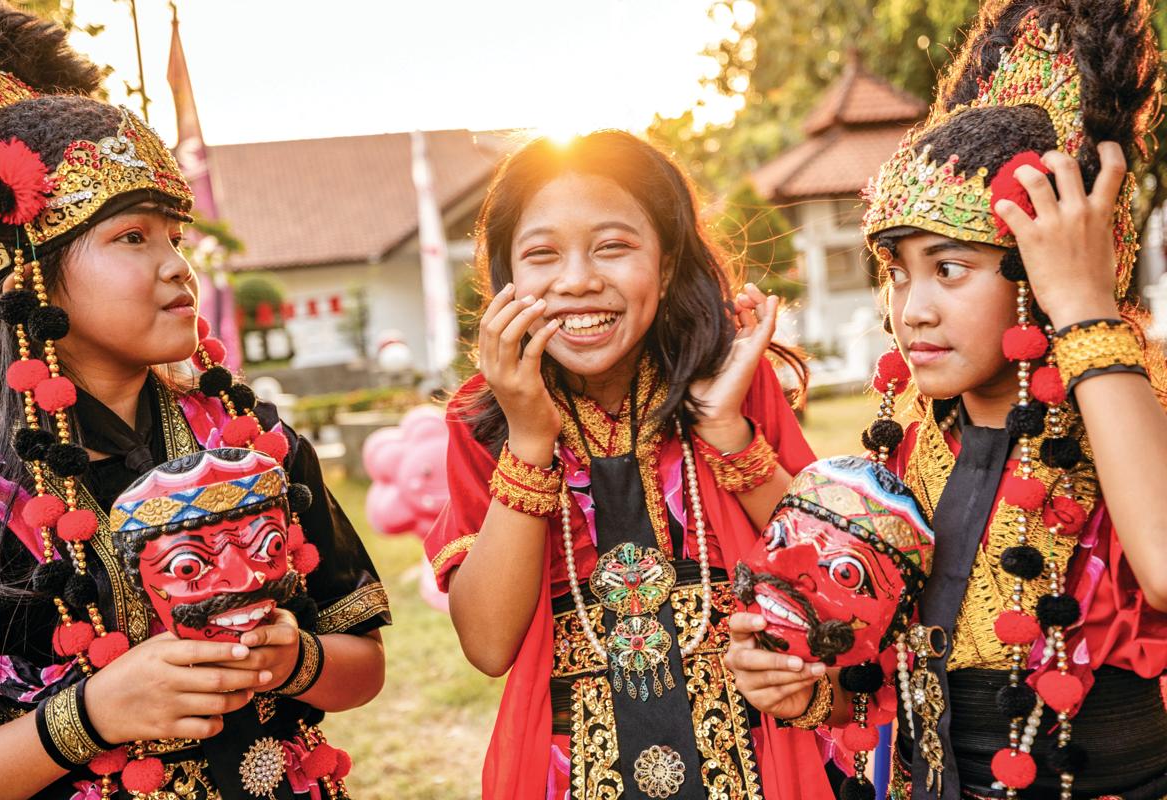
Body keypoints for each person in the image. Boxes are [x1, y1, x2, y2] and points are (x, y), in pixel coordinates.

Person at [725, 1, 1167, 798]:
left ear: (1042, 268)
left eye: (949, 269)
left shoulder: (1131, 418)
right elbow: (894, 682)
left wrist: (1085, 310)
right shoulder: (911, 451)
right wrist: (804, 691)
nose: (911, 309)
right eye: (896, 272)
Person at [0, 4, 388, 798]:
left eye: (175, 237)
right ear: (30, 274)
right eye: (133, 238)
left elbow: (361, 667)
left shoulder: (256, 443)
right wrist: (91, 715)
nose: (176, 268)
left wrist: (295, 661)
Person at [424, 129, 832, 799]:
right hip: (569, 769)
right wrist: (528, 437)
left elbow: (824, 582)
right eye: (542, 255)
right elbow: (490, 646)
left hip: (758, 758)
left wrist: (726, 429)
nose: (580, 280)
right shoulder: (481, 418)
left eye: (613, 246)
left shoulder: (728, 377)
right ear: (508, 280)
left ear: (667, 266)